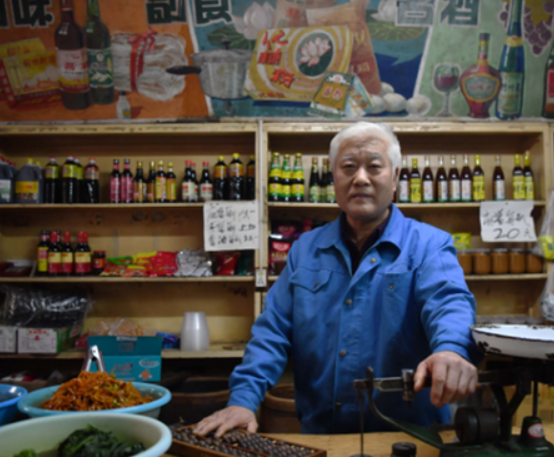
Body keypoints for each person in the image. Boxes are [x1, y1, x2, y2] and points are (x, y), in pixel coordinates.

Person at [195, 122, 480, 437]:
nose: (360, 178)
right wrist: (244, 400)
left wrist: (452, 349)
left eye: (374, 166)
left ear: (396, 176)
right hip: (321, 437)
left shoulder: (429, 245)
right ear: (333, 178)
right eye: (348, 167)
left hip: (413, 439)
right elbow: (272, 333)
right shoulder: (305, 250)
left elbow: (448, 302)